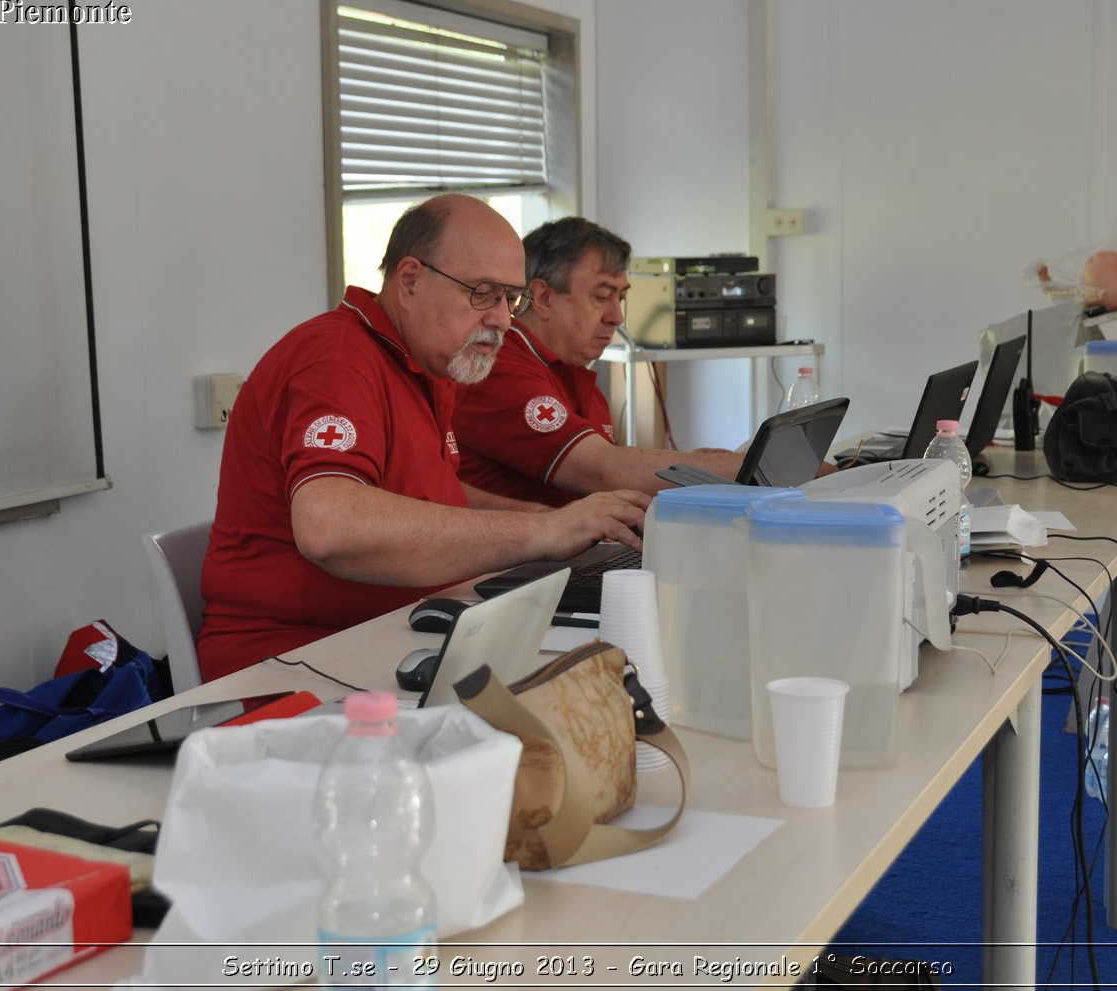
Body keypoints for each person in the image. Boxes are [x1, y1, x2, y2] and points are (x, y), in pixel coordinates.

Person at [196, 195, 648, 681]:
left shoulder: (431, 365)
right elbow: (330, 526)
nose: (501, 319)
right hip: (293, 661)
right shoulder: (335, 359)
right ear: (410, 279)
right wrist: (543, 533)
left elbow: (427, 494)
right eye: (483, 292)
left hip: (400, 631)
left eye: (509, 299)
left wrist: (550, 520)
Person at [453, 217, 746, 504]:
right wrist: (744, 466)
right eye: (602, 296)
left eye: (620, 298)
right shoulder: (499, 367)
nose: (617, 317)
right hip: (525, 553)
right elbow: (606, 472)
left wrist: (696, 464)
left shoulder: (575, 371)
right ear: (542, 297)